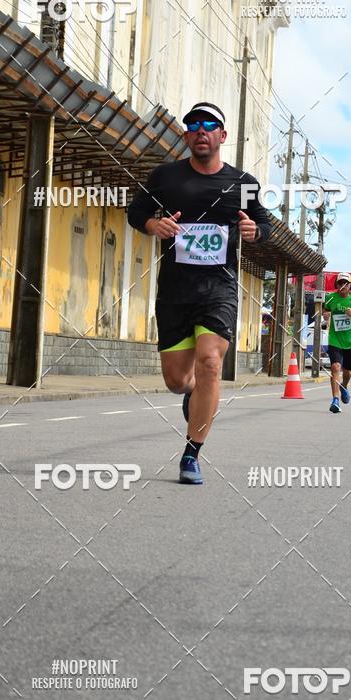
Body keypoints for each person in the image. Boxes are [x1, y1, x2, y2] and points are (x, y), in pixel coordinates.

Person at [127, 101, 271, 484]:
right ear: (186, 135)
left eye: (209, 125)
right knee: (177, 380)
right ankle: (192, 392)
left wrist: (255, 232)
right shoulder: (165, 178)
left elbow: (262, 222)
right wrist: (153, 225)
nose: (200, 130)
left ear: (222, 135)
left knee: (210, 363)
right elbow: (135, 212)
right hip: (175, 292)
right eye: (193, 125)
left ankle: (191, 454)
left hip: (218, 289)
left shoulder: (242, 184)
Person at [322, 273, 351, 413]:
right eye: (340, 283)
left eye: (346, 283)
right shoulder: (330, 298)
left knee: (347, 372)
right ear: (336, 285)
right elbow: (325, 310)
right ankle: (335, 400)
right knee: (335, 367)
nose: (343, 285)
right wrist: (325, 315)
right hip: (335, 339)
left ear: (350, 285)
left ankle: (344, 386)